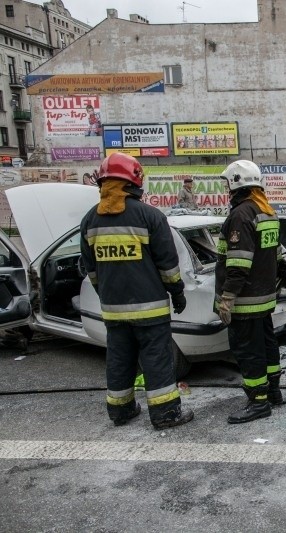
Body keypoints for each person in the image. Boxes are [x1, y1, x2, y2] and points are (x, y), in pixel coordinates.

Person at [79, 153, 193, 429]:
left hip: (113, 310)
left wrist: (106, 294)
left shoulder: (89, 221)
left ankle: (121, 411)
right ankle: (165, 414)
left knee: (119, 359)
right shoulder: (149, 216)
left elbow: (90, 270)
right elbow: (168, 265)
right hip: (150, 307)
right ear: (134, 181)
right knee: (156, 359)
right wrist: (177, 292)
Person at [216, 160, 283, 423]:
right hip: (263, 298)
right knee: (267, 345)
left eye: (227, 184)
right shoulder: (266, 212)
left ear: (235, 183)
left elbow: (239, 264)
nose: (226, 189)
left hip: (244, 301)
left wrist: (227, 298)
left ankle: (258, 402)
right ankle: (273, 392)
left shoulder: (240, 215)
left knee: (248, 350)